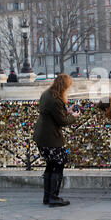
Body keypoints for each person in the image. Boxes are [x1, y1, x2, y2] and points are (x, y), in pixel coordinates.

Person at [33, 74, 80, 207]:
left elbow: (53, 114)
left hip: (41, 135)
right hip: (51, 137)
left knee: (50, 164)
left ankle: (47, 197)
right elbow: (62, 121)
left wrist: (67, 111)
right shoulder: (56, 99)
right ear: (64, 87)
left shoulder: (46, 94)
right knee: (58, 164)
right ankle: (54, 197)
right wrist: (74, 116)